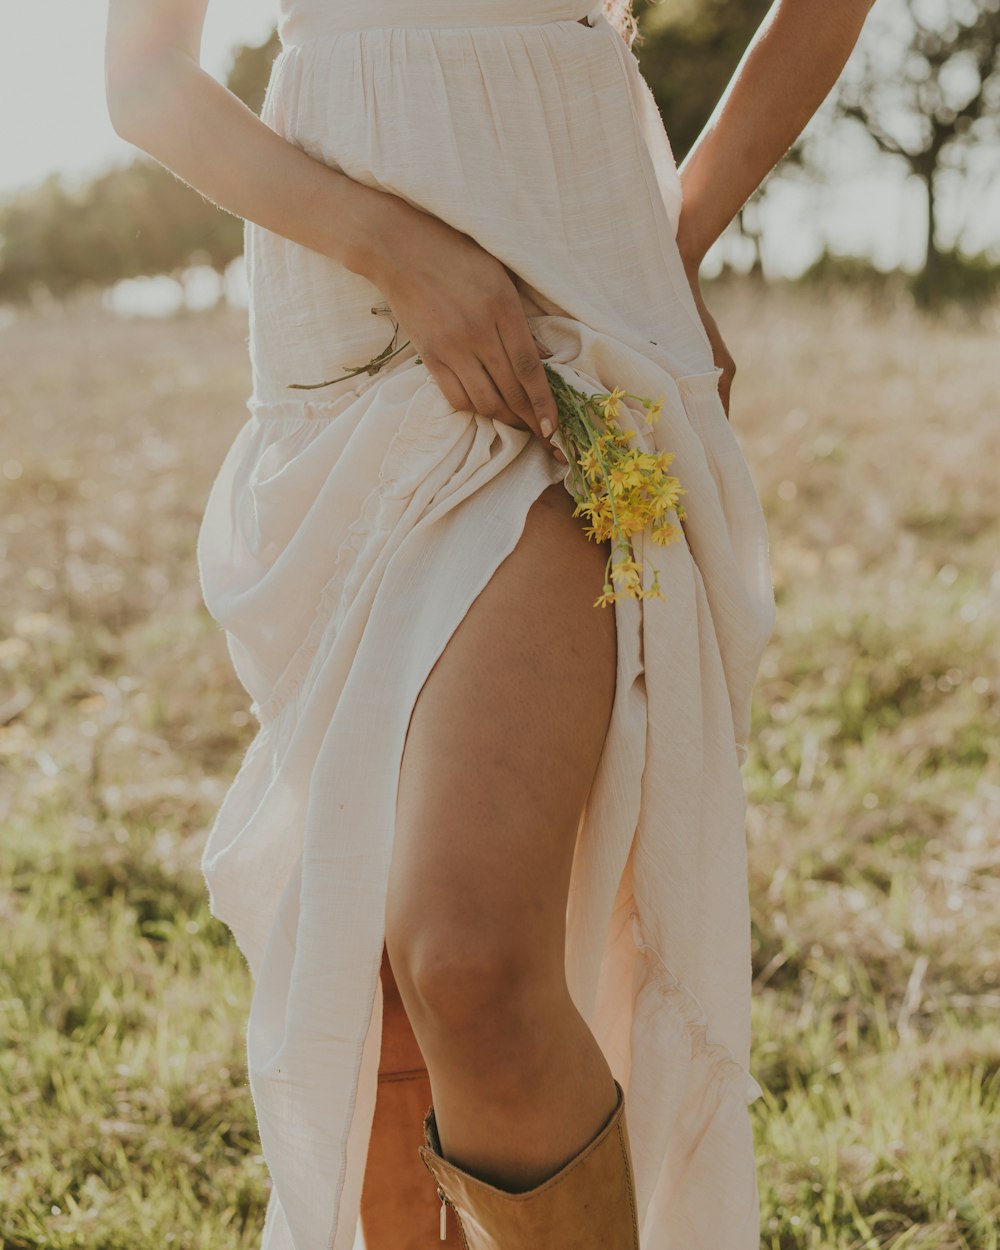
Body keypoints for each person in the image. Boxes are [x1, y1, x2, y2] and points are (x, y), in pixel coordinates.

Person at [105, 1, 876, 1247]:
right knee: (376, 997)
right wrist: (397, 253)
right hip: (333, 332)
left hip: (567, 309)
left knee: (465, 958)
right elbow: (144, 83)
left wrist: (674, 235)